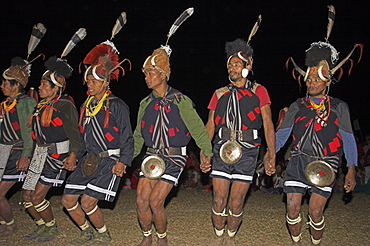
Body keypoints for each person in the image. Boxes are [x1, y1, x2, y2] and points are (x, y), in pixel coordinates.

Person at [276, 5, 361, 245]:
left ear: (328, 81)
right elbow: (282, 136)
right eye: (309, 78)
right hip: (298, 159)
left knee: (315, 211)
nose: (312, 81)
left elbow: (348, 139)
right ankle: (297, 242)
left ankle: (316, 242)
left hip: (327, 160)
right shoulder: (297, 105)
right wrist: (271, 153)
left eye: (317, 78)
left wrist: (351, 168)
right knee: (292, 208)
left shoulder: (339, 107)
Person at [133, 7, 212, 246]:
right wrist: (125, 158)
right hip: (151, 157)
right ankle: (147, 236)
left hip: (175, 157)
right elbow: (138, 134)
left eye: (151, 73)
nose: (147, 77)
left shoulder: (180, 100)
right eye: (145, 73)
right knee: (141, 201)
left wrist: (206, 153)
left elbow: (198, 128)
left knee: (156, 201)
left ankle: (162, 238)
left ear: (164, 74)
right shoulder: (145, 103)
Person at [201, 15, 276, 246]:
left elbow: (267, 123)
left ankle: (231, 238)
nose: (233, 68)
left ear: (247, 66)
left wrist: (271, 153)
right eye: (230, 64)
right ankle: (218, 236)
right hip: (221, 147)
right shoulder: (219, 93)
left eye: (237, 64)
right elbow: (211, 124)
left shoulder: (259, 91)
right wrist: (205, 151)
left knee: (236, 201)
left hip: (248, 150)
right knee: (219, 198)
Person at [62, 40, 134, 245]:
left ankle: (103, 233)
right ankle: (86, 231)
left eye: (93, 81)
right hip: (89, 160)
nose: (89, 85)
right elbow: (84, 137)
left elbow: (127, 137)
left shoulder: (118, 105)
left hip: (110, 161)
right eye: (88, 81)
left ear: (105, 82)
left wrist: (123, 161)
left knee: (87, 202)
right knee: (68, 199)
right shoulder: (87, 106)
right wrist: (74, 154)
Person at [21, 56, 81, 242]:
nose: (40, 87)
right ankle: (42, 226)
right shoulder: (40, 107)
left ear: (56, 88)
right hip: (39, 154)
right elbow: (36, 135)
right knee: (26, 195)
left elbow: (74, 133)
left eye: (45, 85)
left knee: (37, 196)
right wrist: (28, 156)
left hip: (57, 156)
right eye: (40, 83)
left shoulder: (65, 105)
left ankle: (51, 227)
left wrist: (72, 155)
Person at [0, 57, 36, 237]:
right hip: (3, 153)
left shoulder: (26, 103)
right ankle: (4, 223)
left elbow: (30, 131)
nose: (1, 86)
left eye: (5, 83)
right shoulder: (5, 105)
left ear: (15, 85)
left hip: (17, 153)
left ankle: (10, 225)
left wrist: (26, 155)